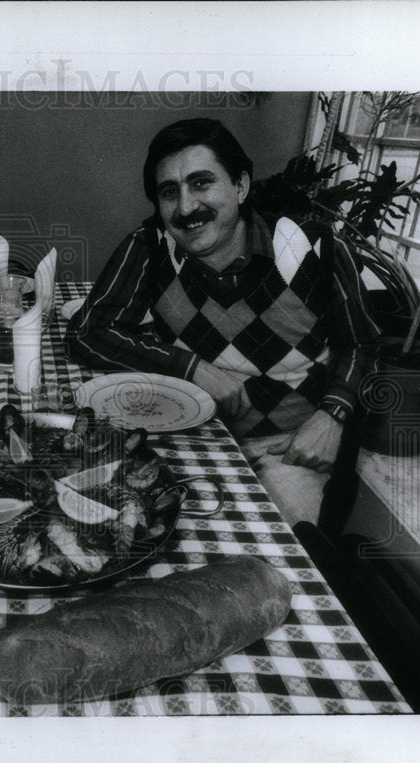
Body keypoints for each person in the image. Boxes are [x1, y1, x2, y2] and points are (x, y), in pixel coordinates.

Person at [67, 118, 379, 527]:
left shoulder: (316, 249)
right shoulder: (150, 247)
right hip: (187, 437)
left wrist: (332, 418)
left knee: (282, 560)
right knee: (121, 527)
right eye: (169, 192)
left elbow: (365, 345)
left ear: (241, 186)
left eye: (201, 183)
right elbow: (88, 333)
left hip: (285, 448)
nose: (186, 207)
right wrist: (192, 367)